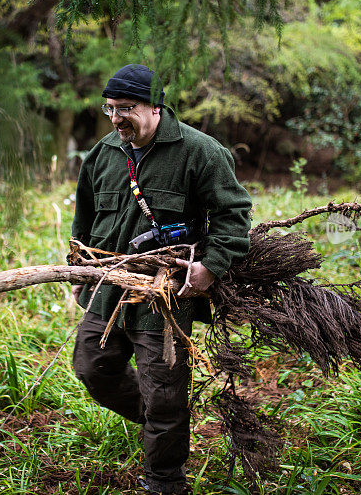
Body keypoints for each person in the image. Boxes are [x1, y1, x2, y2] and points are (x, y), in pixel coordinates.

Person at [70, 64, 252, 494]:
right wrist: (77, 268)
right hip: (108, 286)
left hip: (164, 296)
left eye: (126, 108)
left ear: (155, 106)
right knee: (92, 366)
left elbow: (234, 214)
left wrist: (211, 267)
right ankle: (160, 424)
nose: (116, 118)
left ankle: (165, 480)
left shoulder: (200, 151)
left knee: (165, 390)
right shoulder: (103, 153)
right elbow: (84, 216)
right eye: (110, 108)